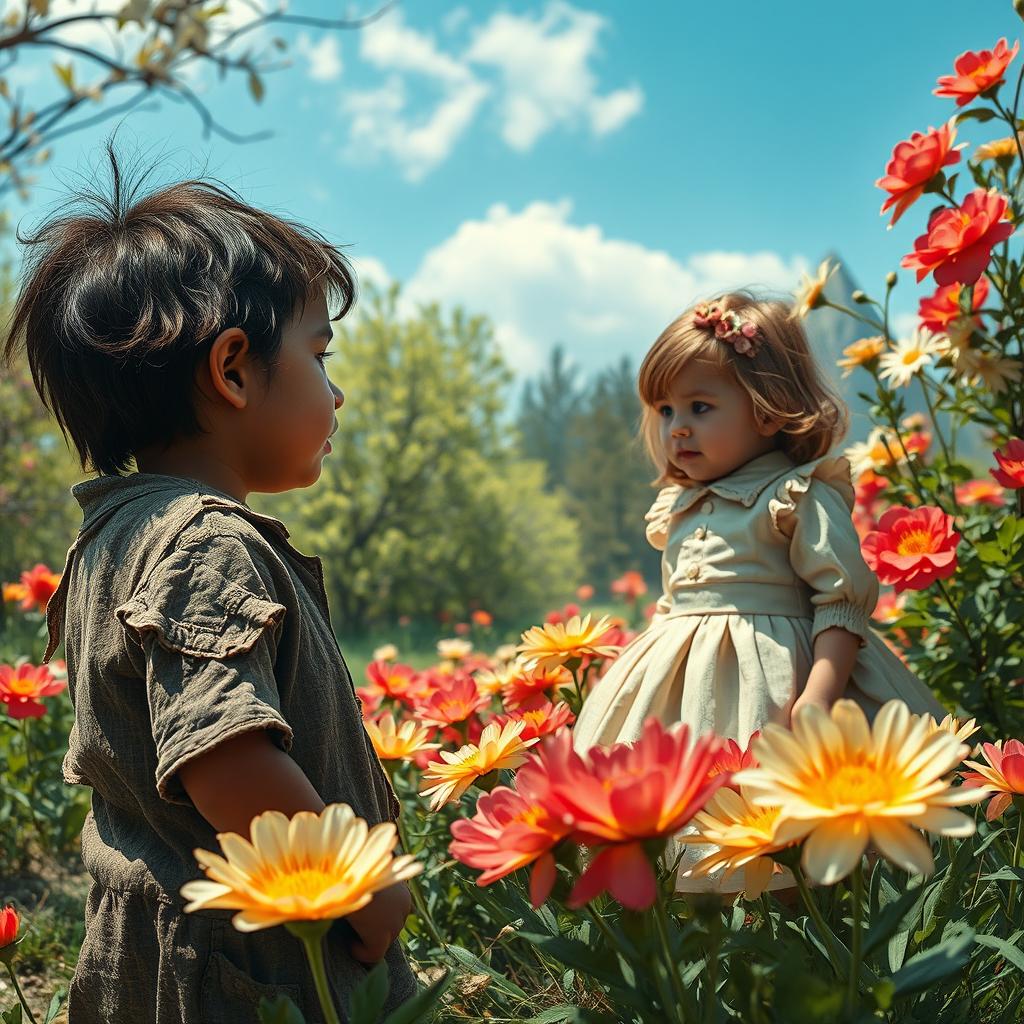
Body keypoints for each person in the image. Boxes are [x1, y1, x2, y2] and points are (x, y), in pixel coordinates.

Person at [1, 148, 416, 1022]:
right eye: (320, 355)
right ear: (232, 370)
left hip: (152, 949)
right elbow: (224, 756)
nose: (335, 395)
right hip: (254, 970)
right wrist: (360, 890)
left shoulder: (109, 536)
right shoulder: (207, 543)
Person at [571, 290, 945, 895]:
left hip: (771, 678)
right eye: (664, 411)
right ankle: (702, 936)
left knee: (776, 814)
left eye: (699, 406)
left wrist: (818, 694)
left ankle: (799, 937)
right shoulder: (679, 506)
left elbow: (841, 601)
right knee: (681, 818)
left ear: (769, 411)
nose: (678, 428)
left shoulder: (796, 494)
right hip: (683, 684)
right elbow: (676, 603)